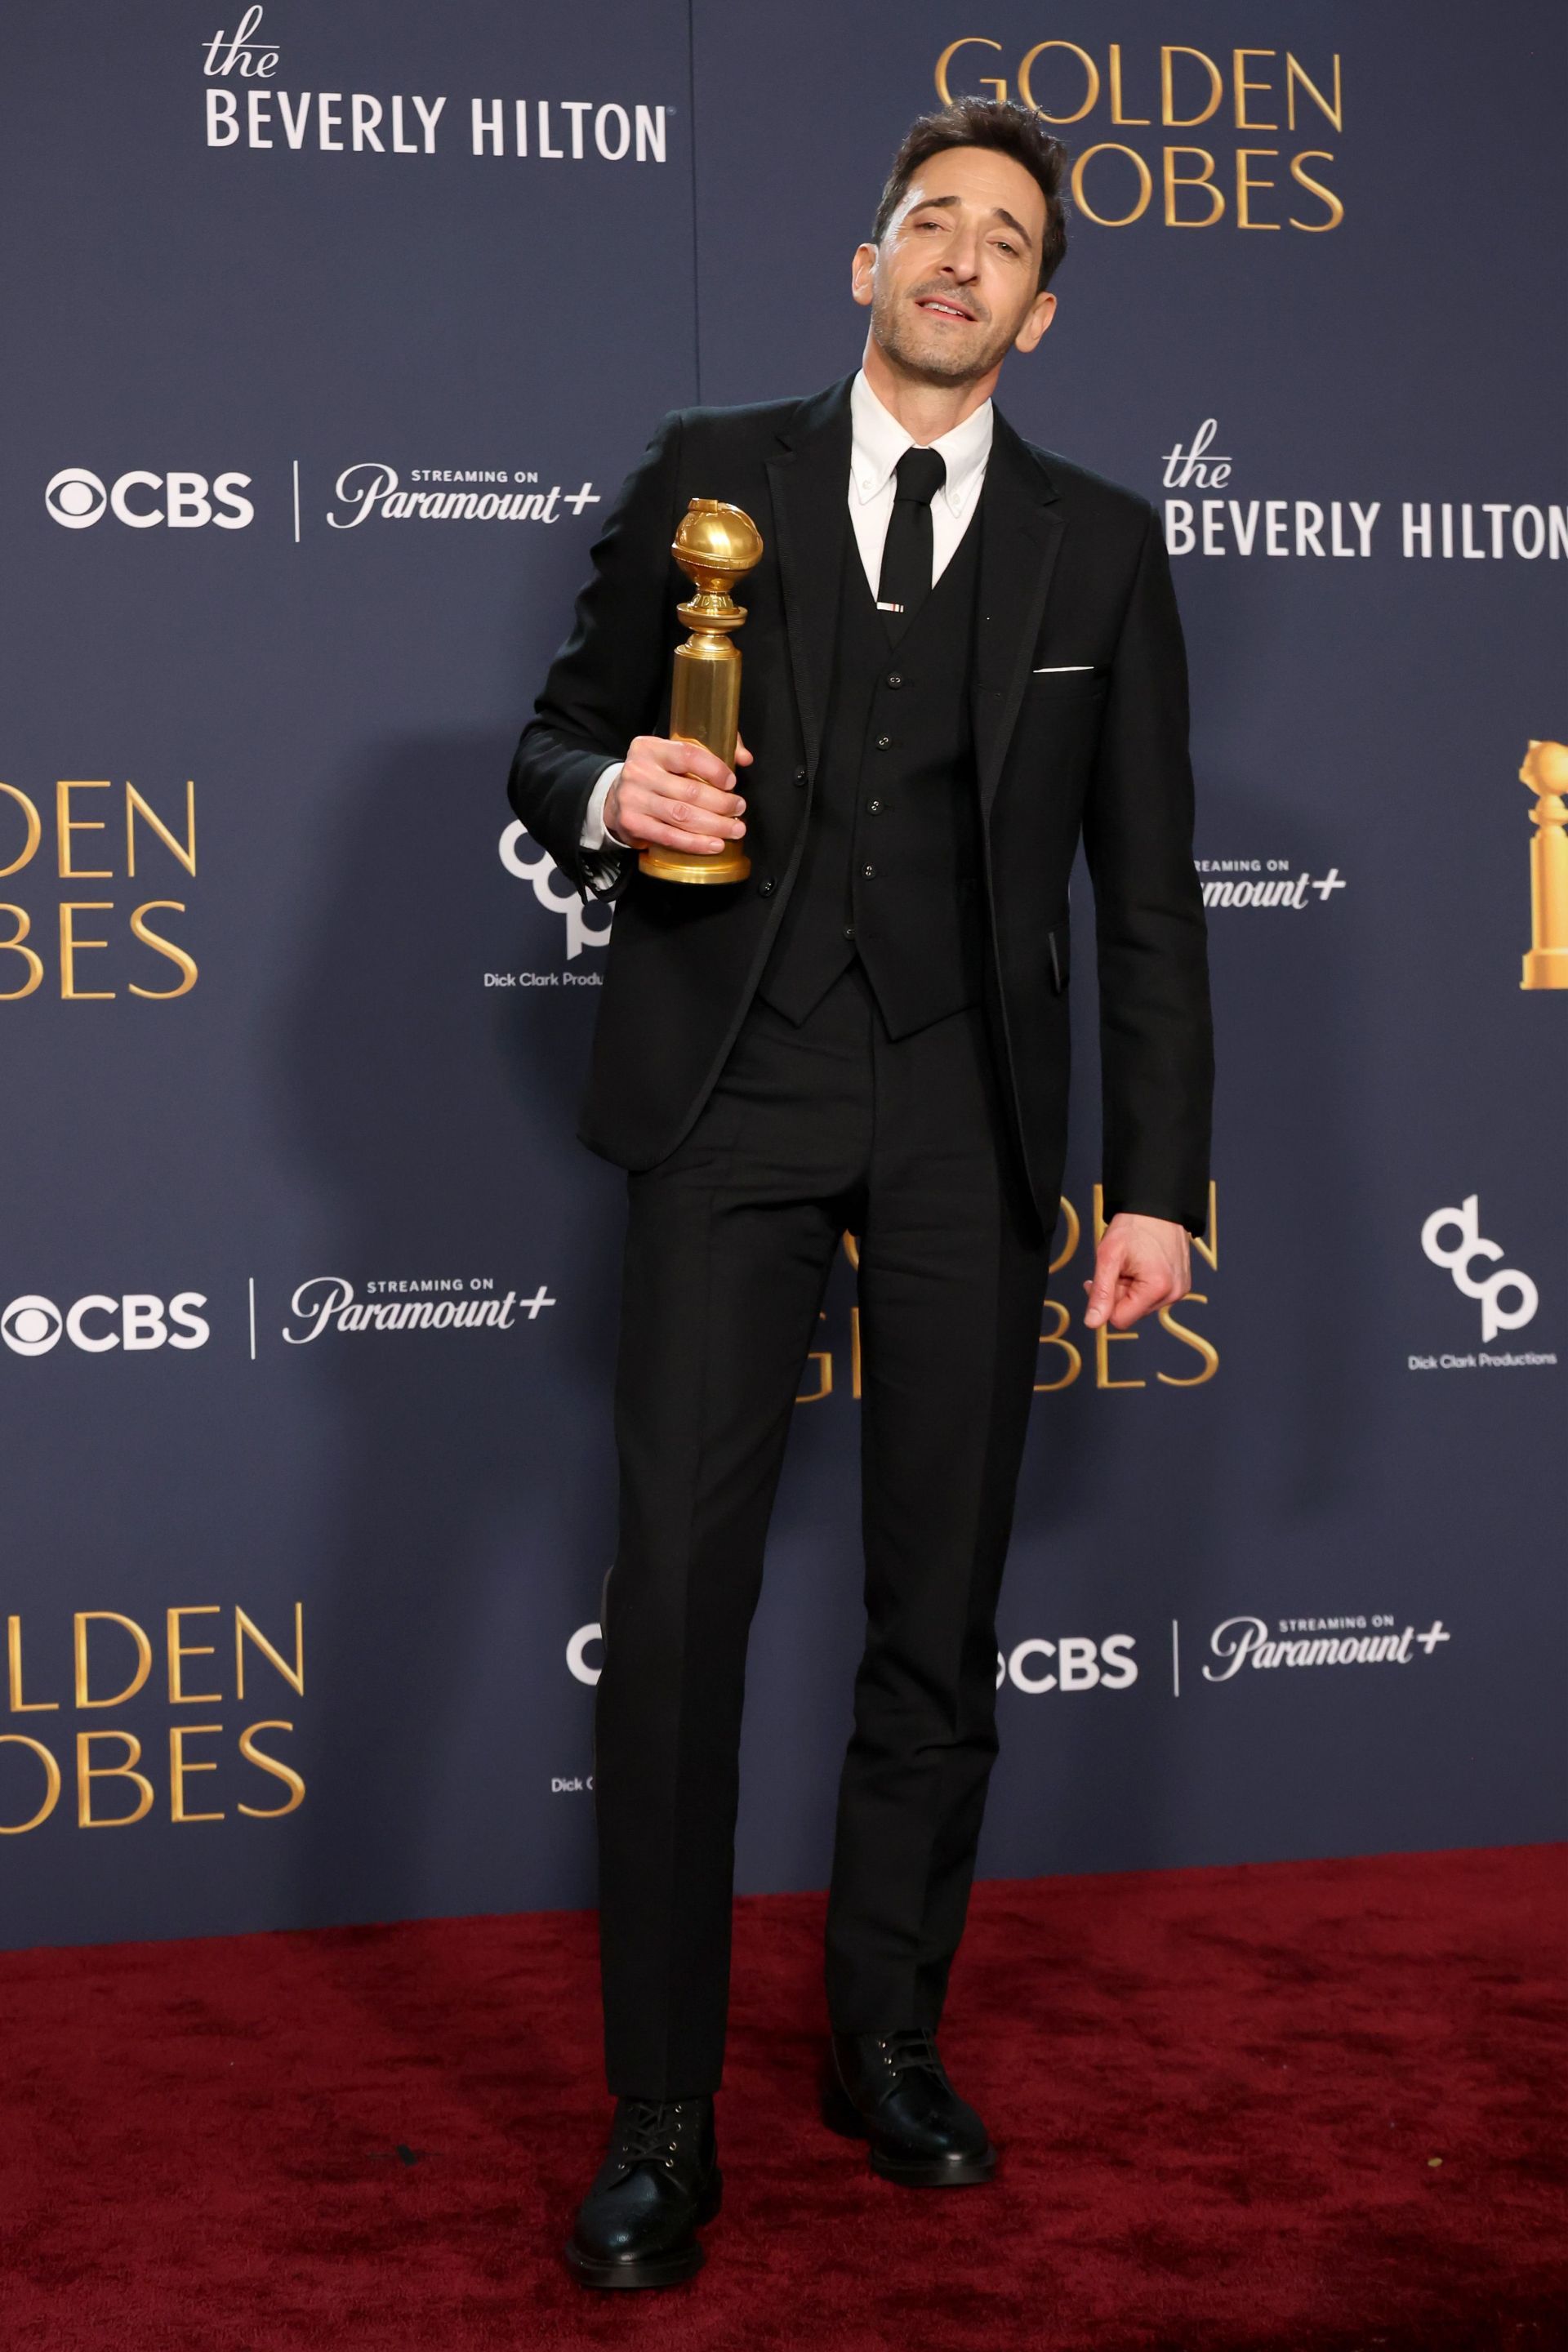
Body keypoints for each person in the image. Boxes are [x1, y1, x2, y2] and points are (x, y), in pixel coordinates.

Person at [508, 96, 1213, 2291]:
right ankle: (660, 2117)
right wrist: (610, 784)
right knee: (682, 1615)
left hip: (961, 1115)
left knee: (937, 1603)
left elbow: (1154, 902)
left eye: (1006, 237)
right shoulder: (709, 468)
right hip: (730, 1083)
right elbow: (546, 738)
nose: (962, 256)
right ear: (865, 263)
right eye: (932, 221)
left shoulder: (1100, 546)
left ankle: (887, 2040)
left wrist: (1157, 1183)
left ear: (1043, 306)